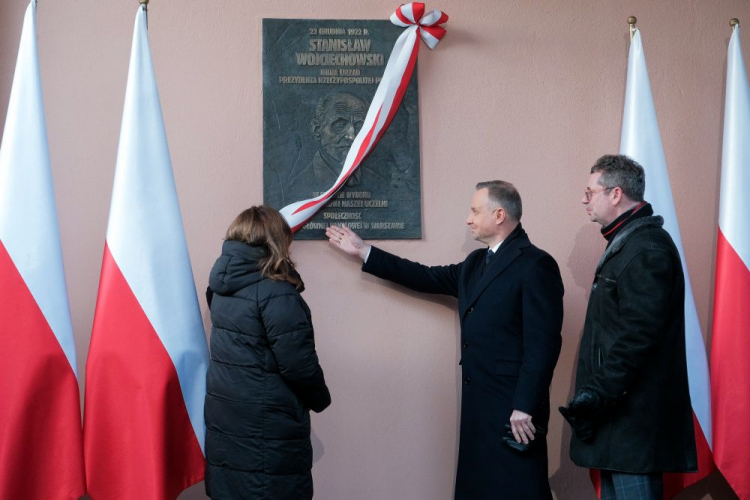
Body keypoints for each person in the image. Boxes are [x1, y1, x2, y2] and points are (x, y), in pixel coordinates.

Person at [326, 181, 564, 499]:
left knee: (517, 487)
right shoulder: (476, 264)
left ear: (499, 214)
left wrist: (524, 404)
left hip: (513, 410)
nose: (468, 219)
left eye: (475, 211)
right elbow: (425, 276)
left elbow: (543, 342)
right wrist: (364, 251)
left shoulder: (535, 264)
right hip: (479, 403)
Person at [560, 155, 697, 499]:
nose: (584, 199)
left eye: (591, 192)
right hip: (619, 422)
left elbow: (638, 338)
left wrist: (596, 396)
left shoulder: (646, 248)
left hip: (633, 426)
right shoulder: (628, 243)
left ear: (616, 194)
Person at [204, 206, 331, 499]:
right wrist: (320, 399)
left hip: (227, 416)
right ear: (276, 241)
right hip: (267, 425)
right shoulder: (276, 293)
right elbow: (298, 363)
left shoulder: (220, 286)